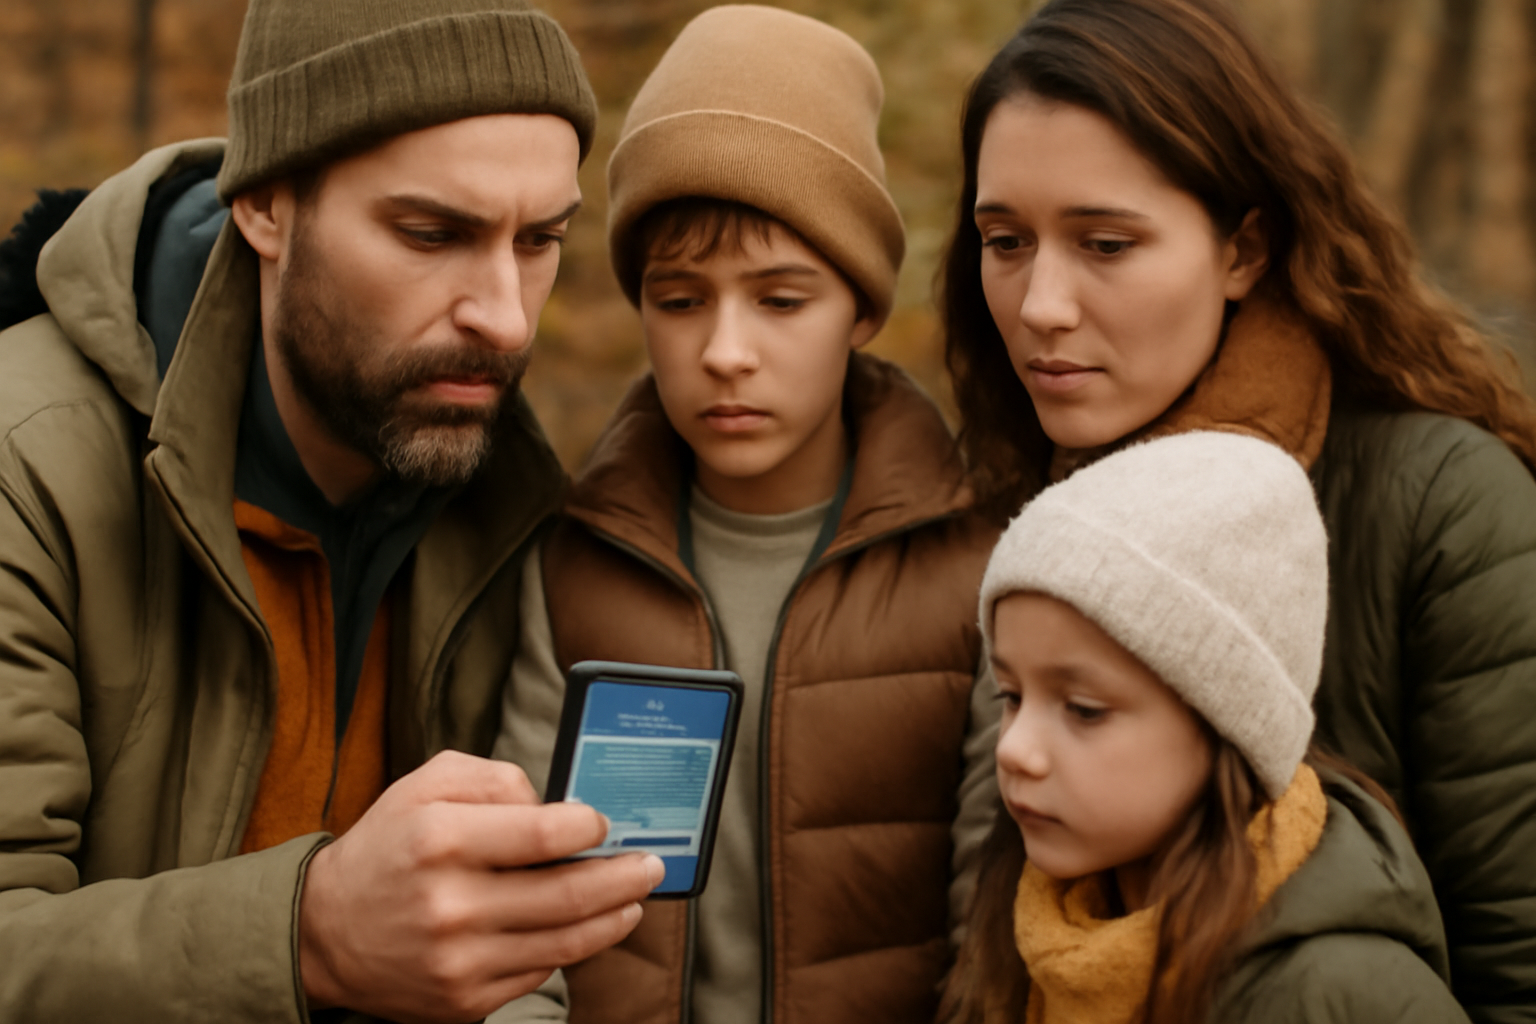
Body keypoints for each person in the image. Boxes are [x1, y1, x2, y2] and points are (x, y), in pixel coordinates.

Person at [0, 0, 665, 1020]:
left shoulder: (507, 497)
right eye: (432, 232)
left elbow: (510, 954)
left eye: (540, 240)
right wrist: (308, 934)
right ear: (265, 206)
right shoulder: (26, 466)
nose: (505, 313)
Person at [940, 0, 1536, 1017]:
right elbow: (990, 948)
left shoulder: (1444, 504)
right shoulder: (1034, 503)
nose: (1040, 302)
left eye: (1107, 243)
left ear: (1243, 249)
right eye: (1005, 239)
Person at [491, 7, 1000, 1023]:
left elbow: (992, 930)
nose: (725, 349)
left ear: (859, 308)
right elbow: (520, 919)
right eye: (680, 301)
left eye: (779, 301)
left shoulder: (975, 566)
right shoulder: (575, 563)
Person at [942, 430, 1469, 1023]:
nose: (1014, 750)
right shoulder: (1034, 941)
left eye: (1084, 709)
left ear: (1229, 724)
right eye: (1011, 695)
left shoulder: (1340, 995)